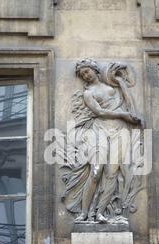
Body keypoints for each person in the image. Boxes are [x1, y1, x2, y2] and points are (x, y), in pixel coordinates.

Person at [61, 58, 143, 223]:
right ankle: (84, 213)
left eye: (87, 71)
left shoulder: (111, 87)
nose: (85, 76)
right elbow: (99, 111)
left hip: (120, 129)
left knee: (112, 173)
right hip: (100, 129)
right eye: (82, 74)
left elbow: (128, 103)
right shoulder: (88, 93)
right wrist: (121, 114)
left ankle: (100, 212)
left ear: (94, 69)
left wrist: (121, 82)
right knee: (96, 171)